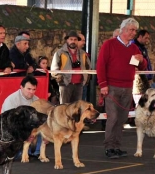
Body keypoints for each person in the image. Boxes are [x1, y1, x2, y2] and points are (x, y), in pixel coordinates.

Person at [96, 18, 147, 159]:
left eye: (135, 31)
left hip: (128, 87)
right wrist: (103, 85)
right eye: (131, 30)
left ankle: (117, 146)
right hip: (112, 87)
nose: (134, 33)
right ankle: (109, 147)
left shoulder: (134, 47)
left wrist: (142, 59)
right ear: (123, 29)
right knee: (113, 118)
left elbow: (142, 67)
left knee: (122, 118)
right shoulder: (109, 44)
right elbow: (100, 65)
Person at [1, 76, 41, 158]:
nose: (31, 92)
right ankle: (21, 151)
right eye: (29, 89)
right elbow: (10, 124)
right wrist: (25, 135)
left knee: (43, 130)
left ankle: (34, 152)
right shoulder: (11, 100)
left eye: (34, 89)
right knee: (15, 155)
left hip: (28, 130)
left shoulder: (37, 100)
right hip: (11, 130)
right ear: (21, 87)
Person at [51, 30, 90, 104]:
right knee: (64, 108)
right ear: (67, 40)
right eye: (71, 39)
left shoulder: (83, 53)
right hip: (66, 85)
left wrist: (85, 80)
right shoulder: (59, 53)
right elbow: (54, 70)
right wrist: (61, 80)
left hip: (79, 85)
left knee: (76, 109)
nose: (73, 41)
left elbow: (88, 67)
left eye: (75, 39)